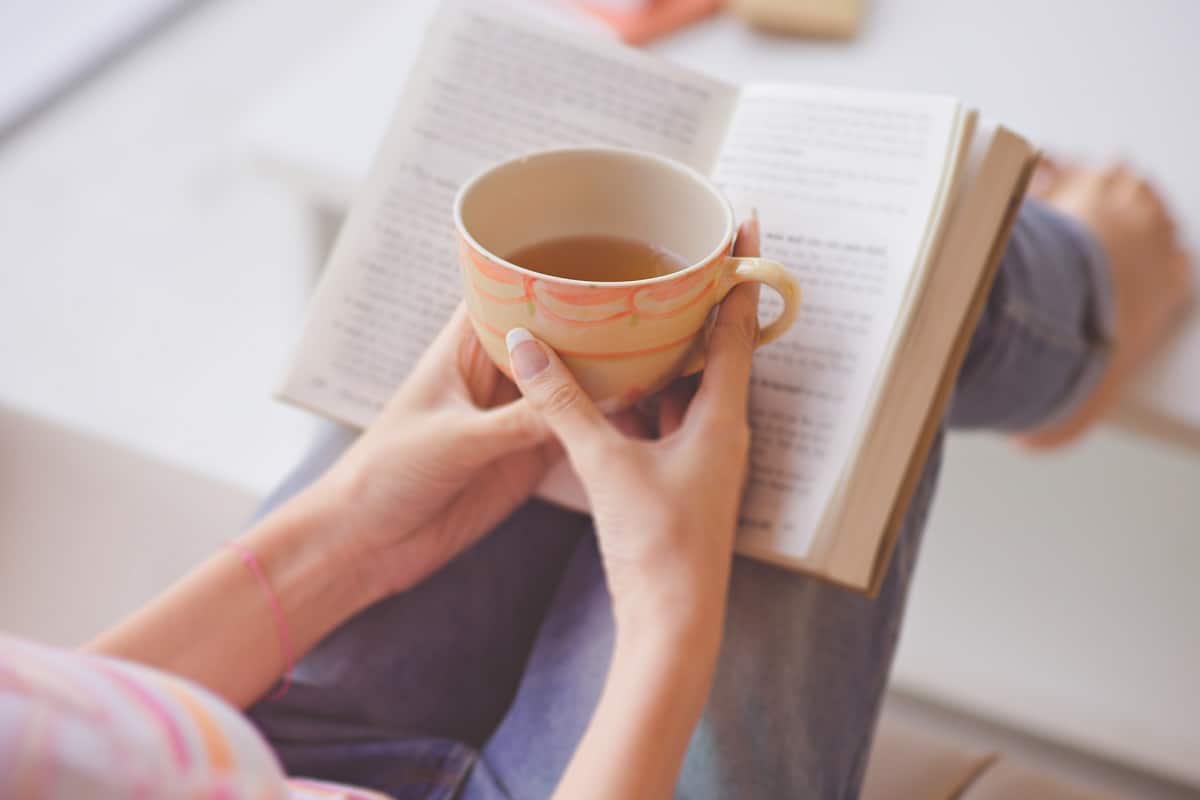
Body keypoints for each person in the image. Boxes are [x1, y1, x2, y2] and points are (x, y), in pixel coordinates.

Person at [0, 163, 1191, 799]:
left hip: (255, 747)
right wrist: (669, 617)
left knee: (685, 220)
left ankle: (1056, 296)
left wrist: (351, 531)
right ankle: (1086, 310)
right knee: (845, 314)